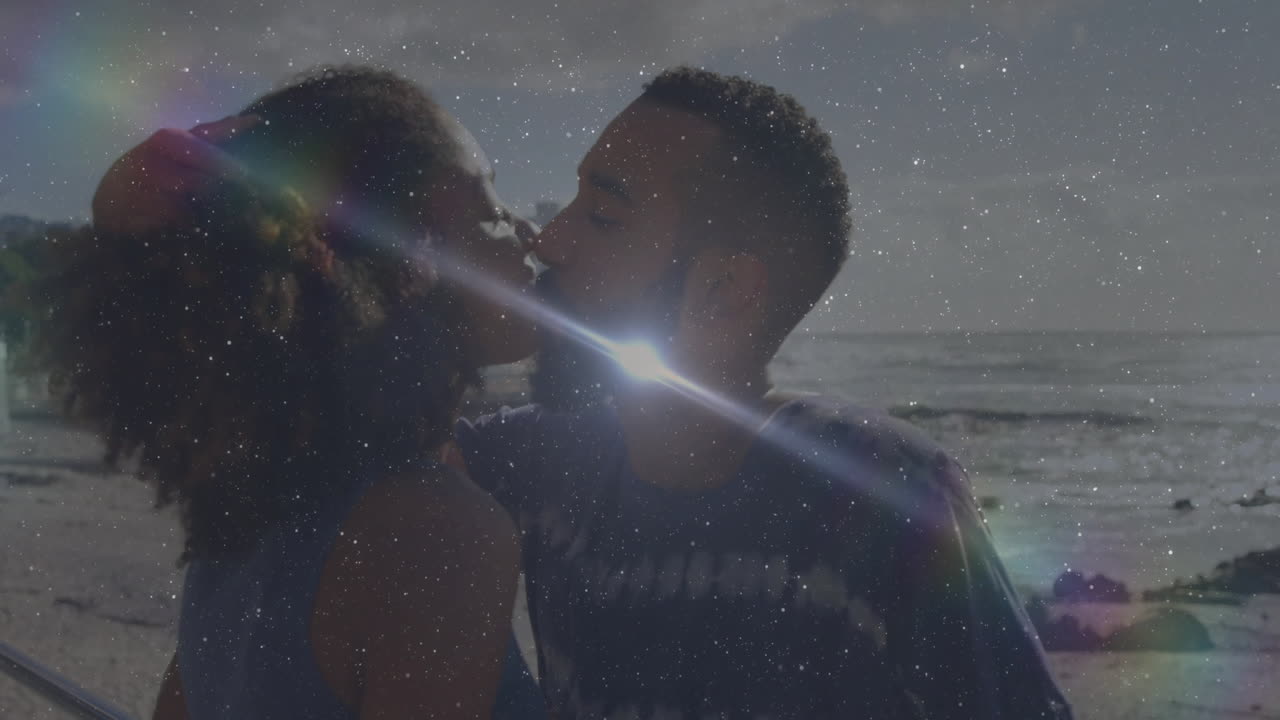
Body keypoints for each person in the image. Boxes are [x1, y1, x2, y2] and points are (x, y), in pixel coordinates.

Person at [94, 66, 1073, 719]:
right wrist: (178, 224)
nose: (546, 239)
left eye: (600, 215)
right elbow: (321, 446)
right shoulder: (520, 467)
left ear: (727, 291)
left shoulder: (882, 495)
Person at [37, 66, 546, 719]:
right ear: (407, 261)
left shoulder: (252, 510)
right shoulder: (436, 533)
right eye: (490, 208)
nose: (529, 232)